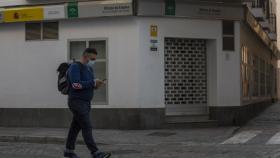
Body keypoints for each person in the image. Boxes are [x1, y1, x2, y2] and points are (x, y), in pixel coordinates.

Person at [64, 48, 111, 158]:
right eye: (92, 58)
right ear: (85, 56)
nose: (94, 61)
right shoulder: (75, 67)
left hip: (86, 103)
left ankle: (68, 151)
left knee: (75, 127)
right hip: (76, 102)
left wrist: (97, 85)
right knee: (87, 126)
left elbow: (90, 85)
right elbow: (76, 85)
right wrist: (92, 82)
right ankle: (95, 152)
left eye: (95, 59)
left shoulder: (89, 68)